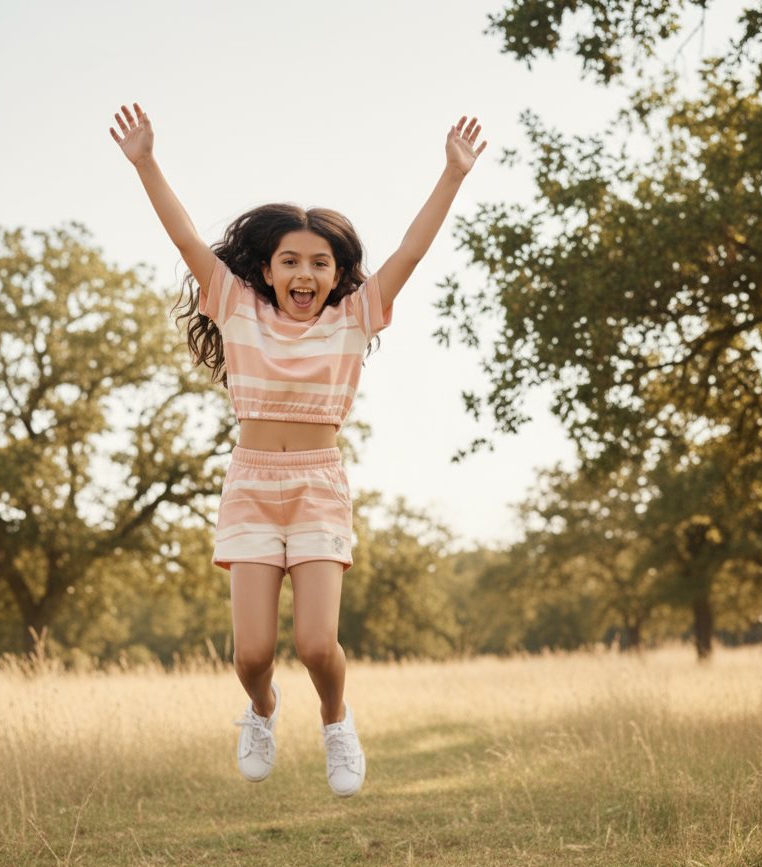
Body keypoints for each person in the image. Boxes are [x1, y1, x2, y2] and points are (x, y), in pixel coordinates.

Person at [110, 102, 485, 797]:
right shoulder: (236, 306)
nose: (305, 272)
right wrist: (145, 162)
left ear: (337, 274)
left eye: (321, 262)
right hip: (251, 484)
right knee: (252, 653)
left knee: (317, 645)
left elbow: (410, 251)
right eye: (291, 261)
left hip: (317, 485)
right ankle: (261, 710)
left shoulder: (354, 317)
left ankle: (336, 723)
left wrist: (451, 175)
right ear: (268, 270)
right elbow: (185, 237)